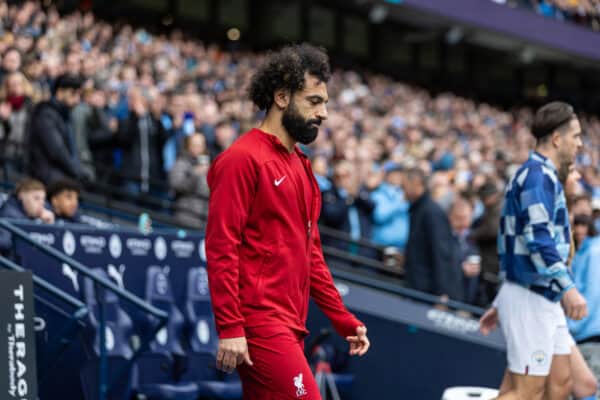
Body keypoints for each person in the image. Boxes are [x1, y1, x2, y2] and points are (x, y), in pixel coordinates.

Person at [205, 43, 370, 400]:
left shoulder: (302, 166)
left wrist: (342, 319)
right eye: (314, 101)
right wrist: (231, 326)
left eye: (324, 103)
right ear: (282, 97)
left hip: (291, 322)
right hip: (261, 324)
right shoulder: (241, 159)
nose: (323, 113)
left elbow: (311, 256)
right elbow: (221, 246)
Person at [492, 101, 587, 400]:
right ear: (557, 139)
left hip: (540, 295)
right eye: (576, 136)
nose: (580, 143)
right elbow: (538, 239)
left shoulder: (543, 176)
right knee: (526, 393)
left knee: (560, 384)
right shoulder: (537, 176)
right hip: (531, 295)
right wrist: (569, 289)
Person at [402, 167, 464, 302]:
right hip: (416, 285)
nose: (403, 191)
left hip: (428, 290)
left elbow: (442, 253)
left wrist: (442, 292)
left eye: (404, 186)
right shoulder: (419, 209)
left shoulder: (431, 212)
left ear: (417, 184)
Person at [28, 73, 86, 184]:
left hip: (61, 177)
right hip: (47, 178)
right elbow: (56, 150)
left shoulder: (65, 115)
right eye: (73, 93)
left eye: (79, 95)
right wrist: (76, 171)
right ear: (59, 92)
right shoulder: (45, 113)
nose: (77, 100)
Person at [168, 132, 210, 229]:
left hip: (205, 217)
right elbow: (177, 185)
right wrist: (195, 174)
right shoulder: (181, 163)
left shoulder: (208, 164)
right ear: (188, 146)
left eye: (201, 145)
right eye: (195, 145)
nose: (198, 148)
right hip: (187, 215)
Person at [0, 178, 54, 254]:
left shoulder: (39, 217)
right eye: (36, 198)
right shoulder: (9, 213)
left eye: (43, 199)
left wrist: (49, 227)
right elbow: (4, 243)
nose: (42, 203)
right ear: (21, 196)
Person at [448, 197, 482, 305]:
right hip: (447, 299)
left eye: (466, 218)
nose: (463, 223)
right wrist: (460, 268)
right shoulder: (442, 238)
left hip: (467, 301)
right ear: (450, 217)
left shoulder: (471, 238)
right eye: (458, 218)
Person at [46, 178, 111, 228]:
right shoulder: (42, 219)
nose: (74, 203)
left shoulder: (79, 220)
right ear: (55, 200)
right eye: (69, 197)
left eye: (76, 198)